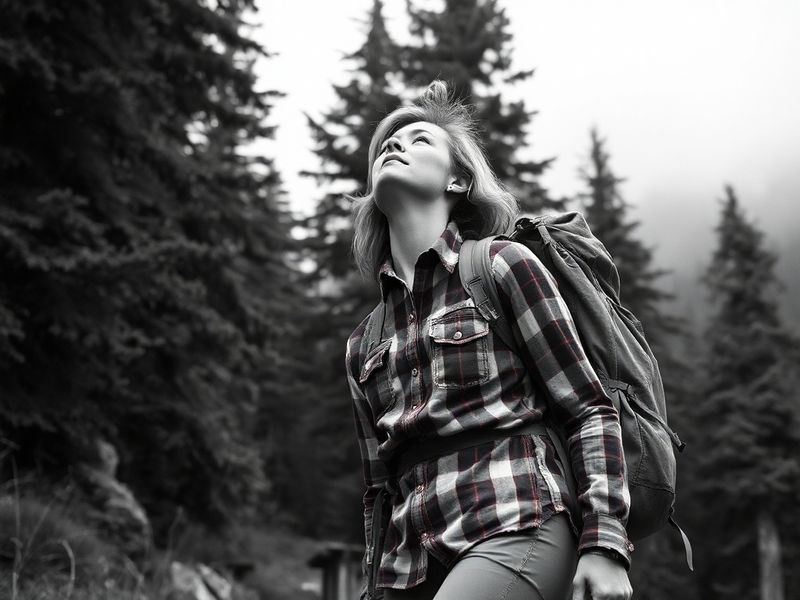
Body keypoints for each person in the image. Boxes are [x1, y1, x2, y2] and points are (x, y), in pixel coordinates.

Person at [345, 81, 633, 600]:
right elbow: (378, 491)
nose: (395, 144)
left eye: (419, 140)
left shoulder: (501, 266)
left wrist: (604, 542)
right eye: (388, 142)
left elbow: (587, 408)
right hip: (407, 566)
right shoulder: (363, 343)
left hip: (516, 518)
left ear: (458, 179)